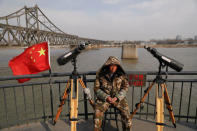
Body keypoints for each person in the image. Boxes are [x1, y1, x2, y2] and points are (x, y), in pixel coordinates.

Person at [94, 56, 132, 131]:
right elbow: (96, 88)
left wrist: (117, 97)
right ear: (108, 66)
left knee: (127, 116)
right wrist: (106, 97)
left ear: (117, 66)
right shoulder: (101, 75)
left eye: (115, 66)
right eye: (111, 65)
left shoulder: (121, 75)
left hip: (119, 99)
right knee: (97, 115)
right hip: (104, 99)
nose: (113, 68)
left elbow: (125, 87)